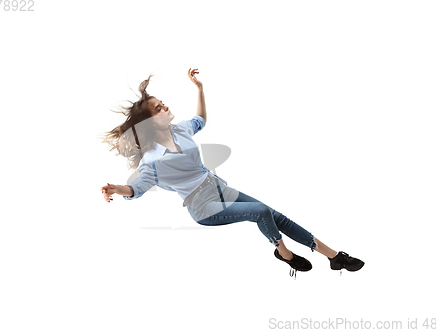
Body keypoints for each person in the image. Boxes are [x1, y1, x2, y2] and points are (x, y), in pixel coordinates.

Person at [100, 68, 364, 278]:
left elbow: (200, 119)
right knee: (260, 212)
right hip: (202, 206)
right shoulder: (152, 160)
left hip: (218, 187)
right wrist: (117, 189)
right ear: (149, 122)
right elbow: (137, 189)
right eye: (158, 109)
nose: (165, 108)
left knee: (274, 215)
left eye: (163, 104)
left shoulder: (180, 130)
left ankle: (333, 256)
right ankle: (284, 254)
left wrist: (200, 90)